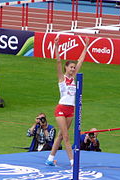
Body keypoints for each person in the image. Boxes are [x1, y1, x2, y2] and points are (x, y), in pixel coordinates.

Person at [45, 35, 90, 166]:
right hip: (61, 109)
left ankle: (50, 158)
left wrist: (86, 47)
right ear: (66, 68)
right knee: (66, 137)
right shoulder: (62, 79)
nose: (73, 69)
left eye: (74, 67)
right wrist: (57, 47)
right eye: (71, 67)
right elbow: (58, 62)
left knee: (60, 135)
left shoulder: (75, 77)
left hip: (71, 109)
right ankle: (73, 162)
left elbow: (81, 61)